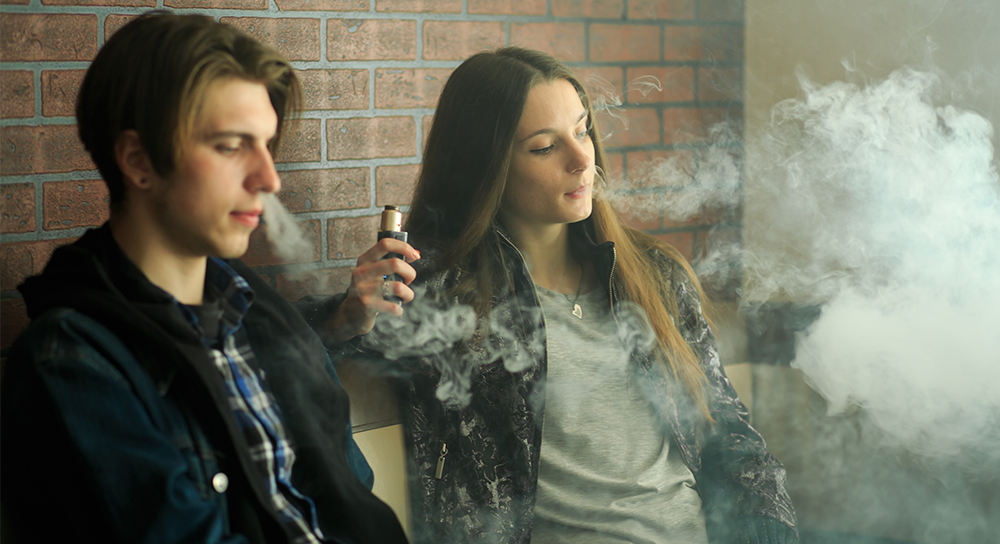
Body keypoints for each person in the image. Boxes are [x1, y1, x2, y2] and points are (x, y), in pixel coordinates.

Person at [327, 47, 799, 544]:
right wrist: (345, 319)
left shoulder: (655, 274)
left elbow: (730, 434)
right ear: (486, 167)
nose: (582, 160)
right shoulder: (444, 293)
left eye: (582, 130)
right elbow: (289, 346)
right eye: (545, 147)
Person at [0, 11, 416, 543]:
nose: (268, 178)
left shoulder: (254, 316)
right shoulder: (72, 363)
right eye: (230, 146)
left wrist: (342, 318)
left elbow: (348, 495)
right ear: (138, 161)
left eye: (266, 144)